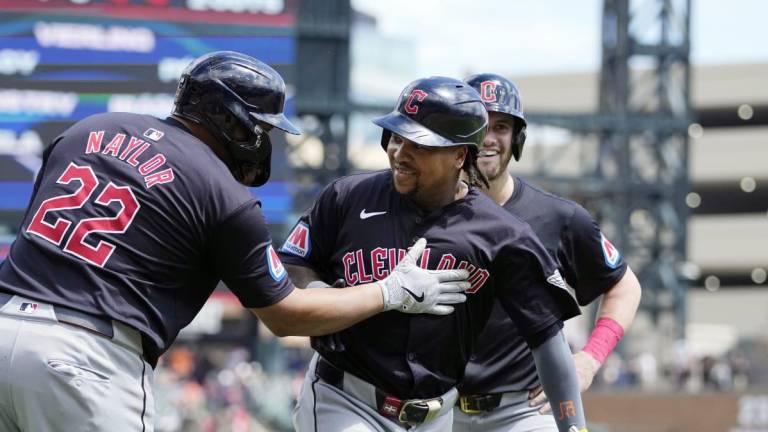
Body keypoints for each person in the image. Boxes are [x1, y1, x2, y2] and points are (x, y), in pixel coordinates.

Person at [0, 51, 470, 432]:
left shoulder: (88, 130)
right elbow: (286, 316)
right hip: (87, 360)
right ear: (231, 119)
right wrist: (390, 291)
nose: (263, 140)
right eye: (260, 127)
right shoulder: (224, 195)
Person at [279, 76, 589, 432]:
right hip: (346, 399)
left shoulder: (504, 235)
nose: (400, 153)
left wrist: (574, 427)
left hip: (436, 416)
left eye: (420, 145)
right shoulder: (347, 197)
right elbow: (293, 264)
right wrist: (328, 298)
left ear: (460, 155)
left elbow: (547, 338)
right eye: (397, 137)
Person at [452, 73, 643, 432]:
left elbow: (625, 286)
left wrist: (590, 357)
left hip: (524, 411)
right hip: (437, 408)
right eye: (479, 123)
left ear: (517, 139)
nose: (490, 138)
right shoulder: (428, 210)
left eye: (502, 126)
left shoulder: (560, 217)